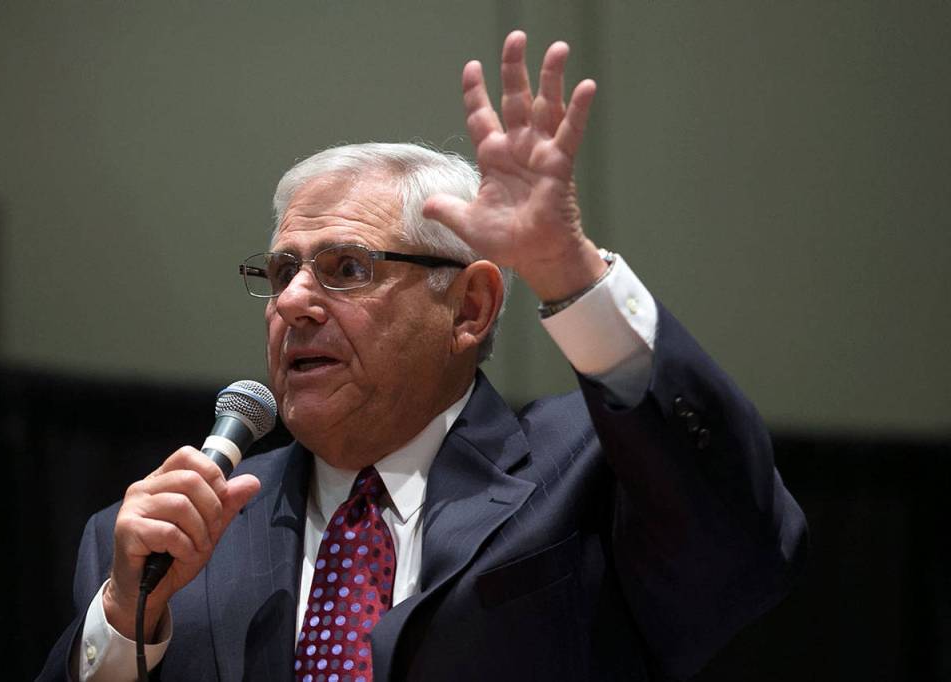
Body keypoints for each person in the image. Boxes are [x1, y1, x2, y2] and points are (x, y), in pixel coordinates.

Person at [40, 30, 807, 681]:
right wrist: (123, 621)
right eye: (281, 272)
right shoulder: (158, 546)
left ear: (470, 307)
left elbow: (742, 536)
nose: (293, 303)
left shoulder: (589, 472)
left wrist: (568, 270)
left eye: (346, 268)